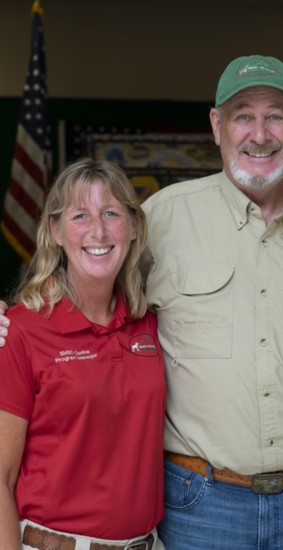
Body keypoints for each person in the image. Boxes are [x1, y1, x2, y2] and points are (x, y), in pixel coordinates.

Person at [1, 55, 283, 549]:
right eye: (242, 115)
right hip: (201, 506)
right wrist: (11, 322)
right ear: (217, 126)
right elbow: (90, 275)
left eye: (276, 114)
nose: (260, 133)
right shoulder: (164, 218)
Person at [0, 158, 166, 549]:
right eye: (80, 216)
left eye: (111, 213)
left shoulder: (150, 323)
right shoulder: (21, 331)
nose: (98, 230)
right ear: (56, 230)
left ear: (133, 226)